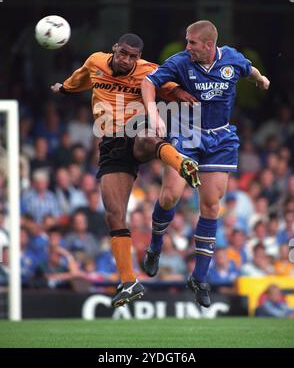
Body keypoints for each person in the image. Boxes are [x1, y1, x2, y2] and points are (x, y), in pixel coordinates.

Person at [51, 32, 199, 307]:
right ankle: (129, 281)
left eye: (133, 56)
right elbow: (78, 80)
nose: (127, 60)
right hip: (111, 145)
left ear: (139, 57)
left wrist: (180, 93)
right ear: (114, 49)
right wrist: (63, 89)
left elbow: (170, 87)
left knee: (146, 134)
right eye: (123, 54)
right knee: (114, 215)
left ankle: (182, 163)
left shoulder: (148, 71)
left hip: (136, 130)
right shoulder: (96, 62)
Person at [141, 20, 270, 307]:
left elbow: (250, 71)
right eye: (187, 42)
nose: (187, 47)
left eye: (192, 43)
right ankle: (155, 247)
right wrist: (154, 114)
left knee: (211, 205)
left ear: (209, 45)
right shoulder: (181, 62)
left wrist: (261, 79)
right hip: (187, 133)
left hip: (220, 138)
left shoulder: (232, 59)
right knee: (170, 194)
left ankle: (199, 277)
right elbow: (149, 82)